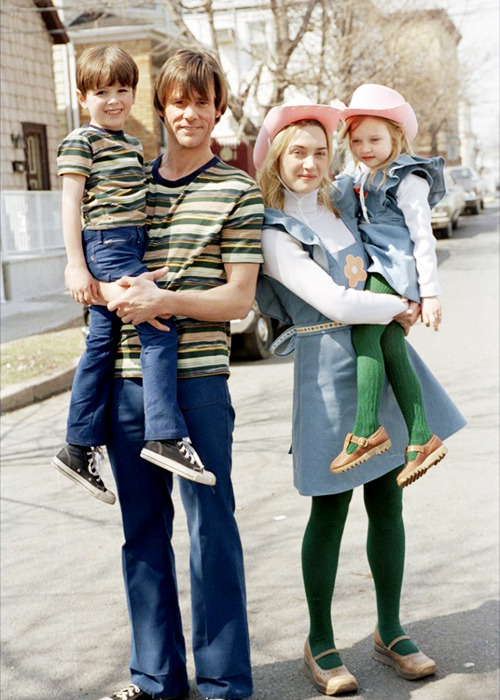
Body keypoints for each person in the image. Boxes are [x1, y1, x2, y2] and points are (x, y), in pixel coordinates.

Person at [254, 96, 465, 695]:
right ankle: (319, 639)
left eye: (321, 151)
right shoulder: (275, 230)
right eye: (298, 151)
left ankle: (390, 629)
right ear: (277, 156)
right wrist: (406, 305)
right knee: (330, 507)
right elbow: (337, 304)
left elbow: (401, 213)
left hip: (379, 360)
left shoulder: (343, 201)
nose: (311, 163)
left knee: (387, 502)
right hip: (327, 370)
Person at [97, 49, 264, 700]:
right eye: (178, 101)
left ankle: (224, 683)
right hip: (126, 380)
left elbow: (238, 299)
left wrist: (165, 301)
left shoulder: (236, 191)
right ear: (161, 107)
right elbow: (97, 257)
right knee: (142, 534)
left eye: (202, 101)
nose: (190, 113)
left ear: (218, 108)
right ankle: (155, 678)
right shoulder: (130, 182)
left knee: (211, 529)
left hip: (197, 384)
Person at [52, 45, 215, 506]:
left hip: (130, 245)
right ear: (83, 96)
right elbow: (70, 204)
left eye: (122, 89)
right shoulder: (81, 141)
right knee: (160, 330)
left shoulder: (130, 144)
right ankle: (165, 435)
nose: (114, 100)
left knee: (101, 345)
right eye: (102, 91)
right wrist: (75, 264)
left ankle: (78, 445)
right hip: (107, 244)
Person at [330, 84, 447, 488]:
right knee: (391, 345)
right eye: (357, 139)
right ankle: (421, 438)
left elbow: (423, 238)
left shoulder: (407, 178)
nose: (365, 147)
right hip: (373, 267)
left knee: (365, 333)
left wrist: (429, 293)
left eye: (375, 139)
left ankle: (366, 430)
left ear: (397, 136)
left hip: (393, 270)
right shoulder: (358, 174)